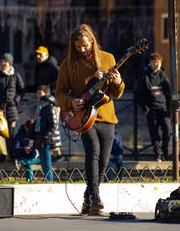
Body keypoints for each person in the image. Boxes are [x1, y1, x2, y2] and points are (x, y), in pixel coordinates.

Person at [55, 24, 125, 215]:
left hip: (106, 116)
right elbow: (59, 93)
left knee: (104, 159)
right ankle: (95, 196)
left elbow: (116, 93)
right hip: (84, 118)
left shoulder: (107, 58)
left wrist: (118, 83)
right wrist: (71, 101)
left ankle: (88, 196)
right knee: (92, 151)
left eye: (84, 45)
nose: (82, 49)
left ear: (92, 41)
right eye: (78, 46)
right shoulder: (67, 64)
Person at [0, 53, 24, 158]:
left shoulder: (16, 76)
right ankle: (2, 155)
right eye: (2, 61)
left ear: (10, 63)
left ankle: (11, 156)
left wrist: (16, 100)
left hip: (12, 110)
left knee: (11, 134)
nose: (3, 63)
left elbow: (22, 90)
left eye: (5, 61)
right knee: (0, 133)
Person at [137, 52, 171, 161]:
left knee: (167, 129)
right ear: (150, 63)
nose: (157, 64)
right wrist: (145, 108)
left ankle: (165, 150)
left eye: (159, 62)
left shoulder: (163, 75)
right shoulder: (144, 76)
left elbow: (168, 93)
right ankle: (158, 154)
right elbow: (140, 94)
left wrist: (169, 106)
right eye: (155, 62)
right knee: (154, 133)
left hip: (163, 108)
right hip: (151, 109)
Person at [34, 85, 61, 181]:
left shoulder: (49, 107)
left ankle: (49, 181)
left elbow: (53, 124)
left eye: (40, 93)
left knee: (46, 162)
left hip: (47, 139)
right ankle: (47, 179)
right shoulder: (41, 107)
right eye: (37, 93)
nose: (39, 96)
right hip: (41, 136)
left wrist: (45, 136)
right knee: (43, 162)